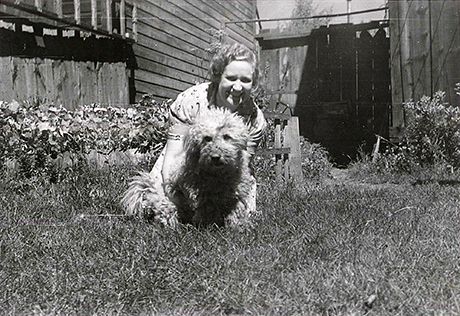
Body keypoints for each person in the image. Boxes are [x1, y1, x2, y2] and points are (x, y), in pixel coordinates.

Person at [150, 42, 266, 213]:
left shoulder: (255, 120)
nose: (238, 87)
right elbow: (174, 154)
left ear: (253, 83)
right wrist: (175, 195)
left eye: (246, 80)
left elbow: (242, 164)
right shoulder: (189, 102)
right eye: (231, 78)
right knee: (159, 204)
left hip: (229, 172)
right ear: (218, 76)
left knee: (241, 213)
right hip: (186, 161)